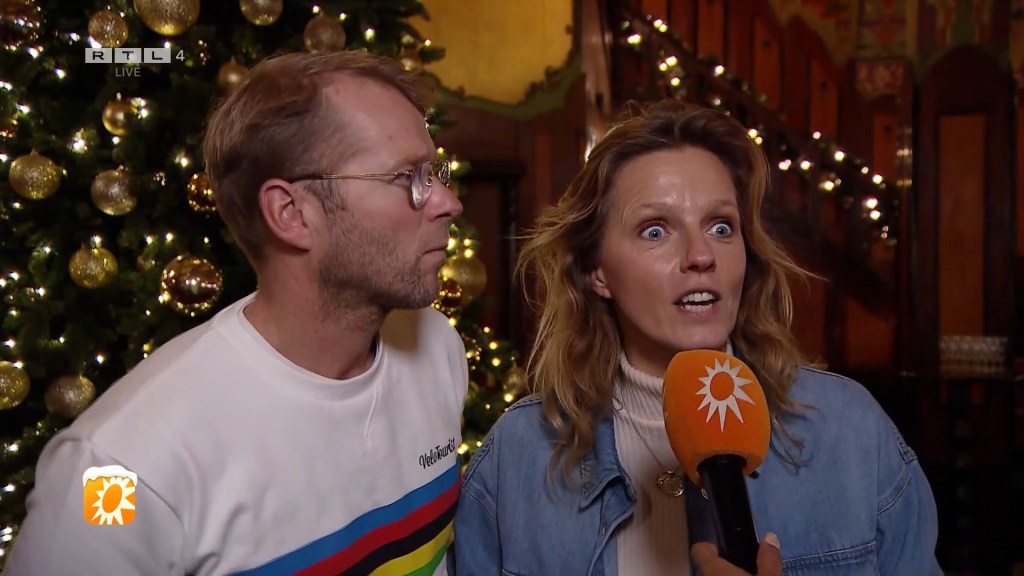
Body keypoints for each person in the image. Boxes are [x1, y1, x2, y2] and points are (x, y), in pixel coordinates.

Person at [5, 50, 467, 575]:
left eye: (435, 172)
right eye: (406, 177)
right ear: (290, 213)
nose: (447, 202)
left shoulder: (436, 349)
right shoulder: (119, 468)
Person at [449, 101, 941, 575]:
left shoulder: (849, 429)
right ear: (597, 271)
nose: (702, 255)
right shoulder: (520, 452)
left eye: (721, 226)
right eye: (655, 231)